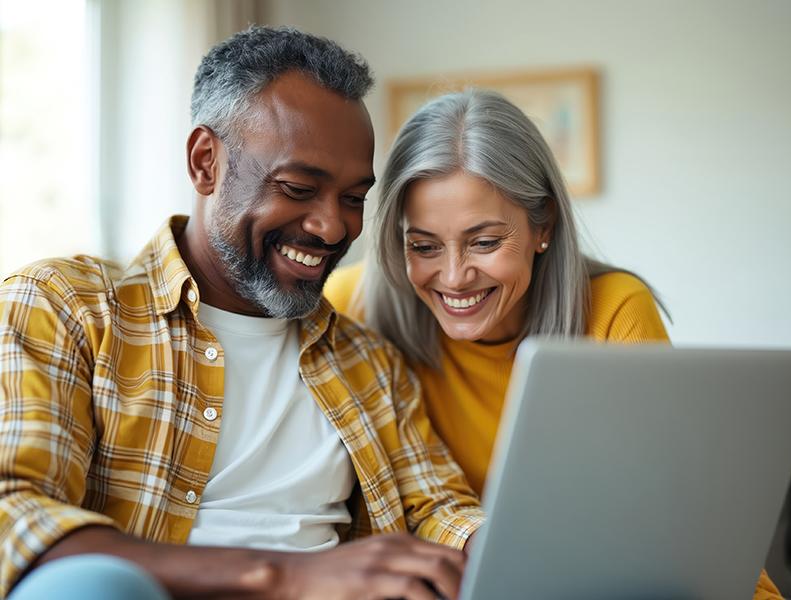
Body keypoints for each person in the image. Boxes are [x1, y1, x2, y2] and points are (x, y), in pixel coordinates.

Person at [0, 26, 485, 600]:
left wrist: (504, 548)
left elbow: (439, 509)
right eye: (298, 187)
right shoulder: (67, 308)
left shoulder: (368, 360)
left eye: (354, 199)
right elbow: (14, 513)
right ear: (205, 162)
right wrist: (282, 575)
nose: (332, 227)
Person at [324, 88, 783, 599]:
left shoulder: (613, 312)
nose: (453, 277)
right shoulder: (350, 307)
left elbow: (679, 534)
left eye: (485, 242)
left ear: (543, 224)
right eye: (424, 246)